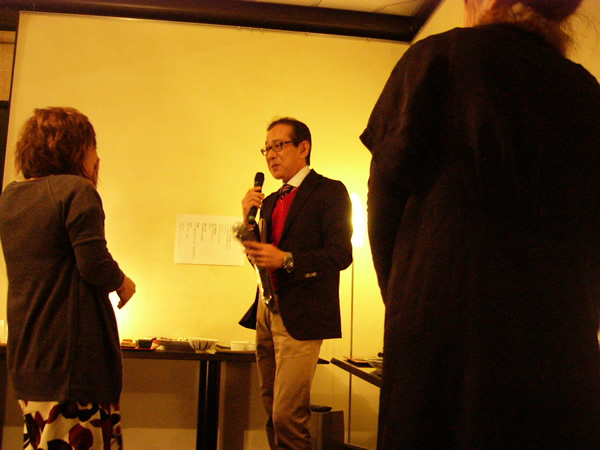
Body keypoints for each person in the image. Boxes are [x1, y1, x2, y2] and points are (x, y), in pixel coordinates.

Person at [360, 0, 600, 448]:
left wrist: (407, 303)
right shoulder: (586, 91)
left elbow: (384, 205)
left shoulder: (439, 58)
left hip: (448, 326)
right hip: (560, 336)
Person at [0, 107, 136, 449]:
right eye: (92, 146)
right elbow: (94, 264)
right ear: (76, 148)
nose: (97, 157)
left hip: (29, 355)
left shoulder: (12, 197)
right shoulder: (76, 191)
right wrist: (123, 283)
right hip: (72, 362)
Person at [239, 117, 353, 449]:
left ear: (303, 148)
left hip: (302, 313)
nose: (271, 155)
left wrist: (287, 259)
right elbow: (260, 259)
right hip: (266, 309)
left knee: (288, 415)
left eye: (279, 145)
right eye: (266, 149)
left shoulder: (329, 191)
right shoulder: (270, 201)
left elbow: (340, 254)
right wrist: (245, 221)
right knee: (272, 409)